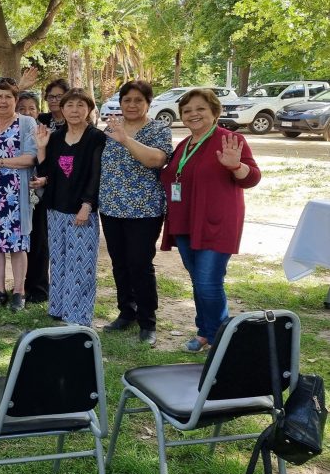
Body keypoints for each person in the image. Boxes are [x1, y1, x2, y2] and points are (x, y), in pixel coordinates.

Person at [160, 88, 260, 353]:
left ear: (215, 112)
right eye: (187, 110)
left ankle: (221, 340)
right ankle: (206, 332)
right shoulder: (184, 144)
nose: (193, 114)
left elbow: (252, 178)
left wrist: (236, 166)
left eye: (200, 108)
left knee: (208, 282)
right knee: (199, 281)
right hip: (185, 223)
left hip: (216, 223)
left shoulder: (230, 139)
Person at [99, 81, 172, 346]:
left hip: (144, 210)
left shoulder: (158, 129)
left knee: (140, 264)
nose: (131, 105)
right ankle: (126, 312)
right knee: (119, 263)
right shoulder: (110, 129)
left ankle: (147, 321)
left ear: (148, 103)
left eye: (138, 100)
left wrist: (126, 139)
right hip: (111, 208)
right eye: (127, 100)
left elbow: (156, 160)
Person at [34, 88, 106, 326]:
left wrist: (87, 205)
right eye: (70, 105)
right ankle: (59, 307)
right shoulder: (55, 137)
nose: (75, 110)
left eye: (80, 105)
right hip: (56, 208)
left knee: (81, 263)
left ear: (89, 109)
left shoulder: (96, 137)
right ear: (62, 109)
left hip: (81, 209)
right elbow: (46, 174)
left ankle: (78, 315)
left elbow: (96, 175)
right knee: (59, 259)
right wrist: (42, 147)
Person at [0, 80, 37, 313]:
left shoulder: (26, 123)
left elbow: (31, 158)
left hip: (16, 192)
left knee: (17, 245)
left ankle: (19, 291)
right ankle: (0, 290)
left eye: (8, 97)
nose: (3, 101)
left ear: (16, 100)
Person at [16, 91, 48, 304]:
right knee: (23, 243)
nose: (27, 112)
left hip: (41, 195)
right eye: (22, 109)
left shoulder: (45, 132)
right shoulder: (14, 130)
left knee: (39, 243)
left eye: (31, 108)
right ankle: (22, 286)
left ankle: (39, 287)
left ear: (38, 111)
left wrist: (44, 179)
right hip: (20, 193)